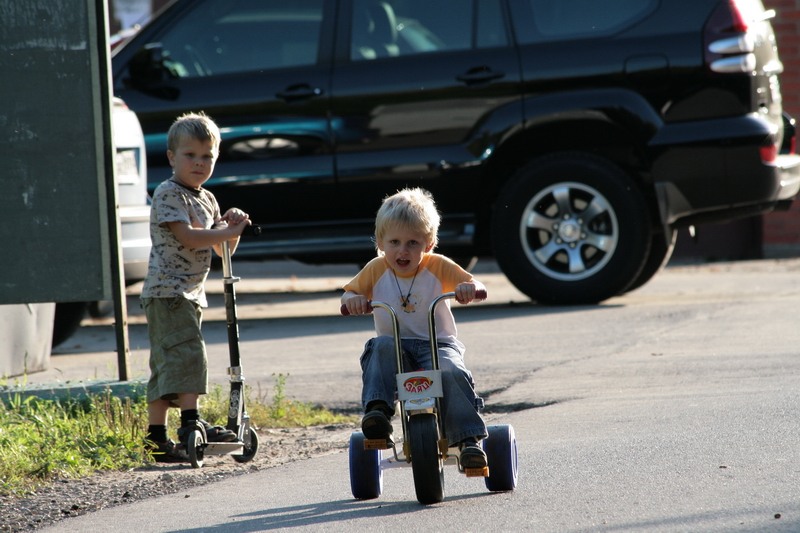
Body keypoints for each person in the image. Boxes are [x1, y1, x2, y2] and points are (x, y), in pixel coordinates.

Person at [341, 187, 489, 468]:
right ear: (381, 242)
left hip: (437, 345)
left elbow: (475, 283)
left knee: (452, 370)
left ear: (429, 243)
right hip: (396, 347)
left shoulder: (438, 266)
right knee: (379, 346)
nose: (403, 250)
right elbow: (347, 295)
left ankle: (468, 439)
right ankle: (378, 414)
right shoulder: (376, 268)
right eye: (394, 242)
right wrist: (355, 300)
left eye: (413, 243)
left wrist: (470, 288)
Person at [141, 112, 251, 462]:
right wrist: (224, 232)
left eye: (207, 157)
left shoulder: (206, 198)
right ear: (172, 157)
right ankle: (191, 422)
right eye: (190, 155)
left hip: (187, 294)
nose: (199, 163)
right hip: (169, 292)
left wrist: (229, 227)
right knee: (188, 355)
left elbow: (221, 249)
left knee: (167, 363)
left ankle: (155, 438)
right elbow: (188, 238)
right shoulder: (168, 193)